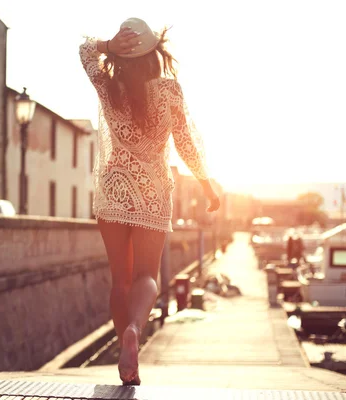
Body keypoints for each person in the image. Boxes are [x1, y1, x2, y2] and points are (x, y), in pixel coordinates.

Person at [79, 18, 220, 386]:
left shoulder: (110, 87)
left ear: (125, 54)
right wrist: (206, 186)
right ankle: (134, 332)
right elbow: (186, 143)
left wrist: (109, 46)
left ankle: (126, 361)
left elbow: (84, 50)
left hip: (114, 187)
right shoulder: (170, 91)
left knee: (119, 281)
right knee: (147, 275)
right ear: (154, 54)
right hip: (153, 190)